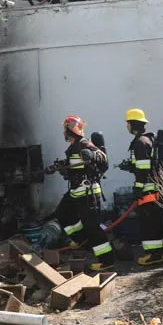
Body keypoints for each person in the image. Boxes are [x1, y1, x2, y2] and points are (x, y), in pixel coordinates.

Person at [52, 115, 115, 272]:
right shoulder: (73, 147)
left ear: (69, 130)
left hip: (88, 193)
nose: (63, 133)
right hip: (75, 192)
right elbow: (74, 167)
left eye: (65, 129)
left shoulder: (84, 143)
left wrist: (92, 155)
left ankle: (107, 261)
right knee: (62, 213)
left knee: (92, 227)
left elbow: (102, 157)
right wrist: (61, 167)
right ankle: (81, 239)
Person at [121, 108, 163, 266]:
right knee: (155, 222)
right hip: (155, 188)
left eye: (128, 123)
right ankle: (159, 253)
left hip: (147, 191)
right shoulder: (148, 140)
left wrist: (138, 188)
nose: (127, 126)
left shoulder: (140, 143)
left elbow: (143, 169)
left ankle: (153, 256)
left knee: (148, 224)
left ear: (133, 124)